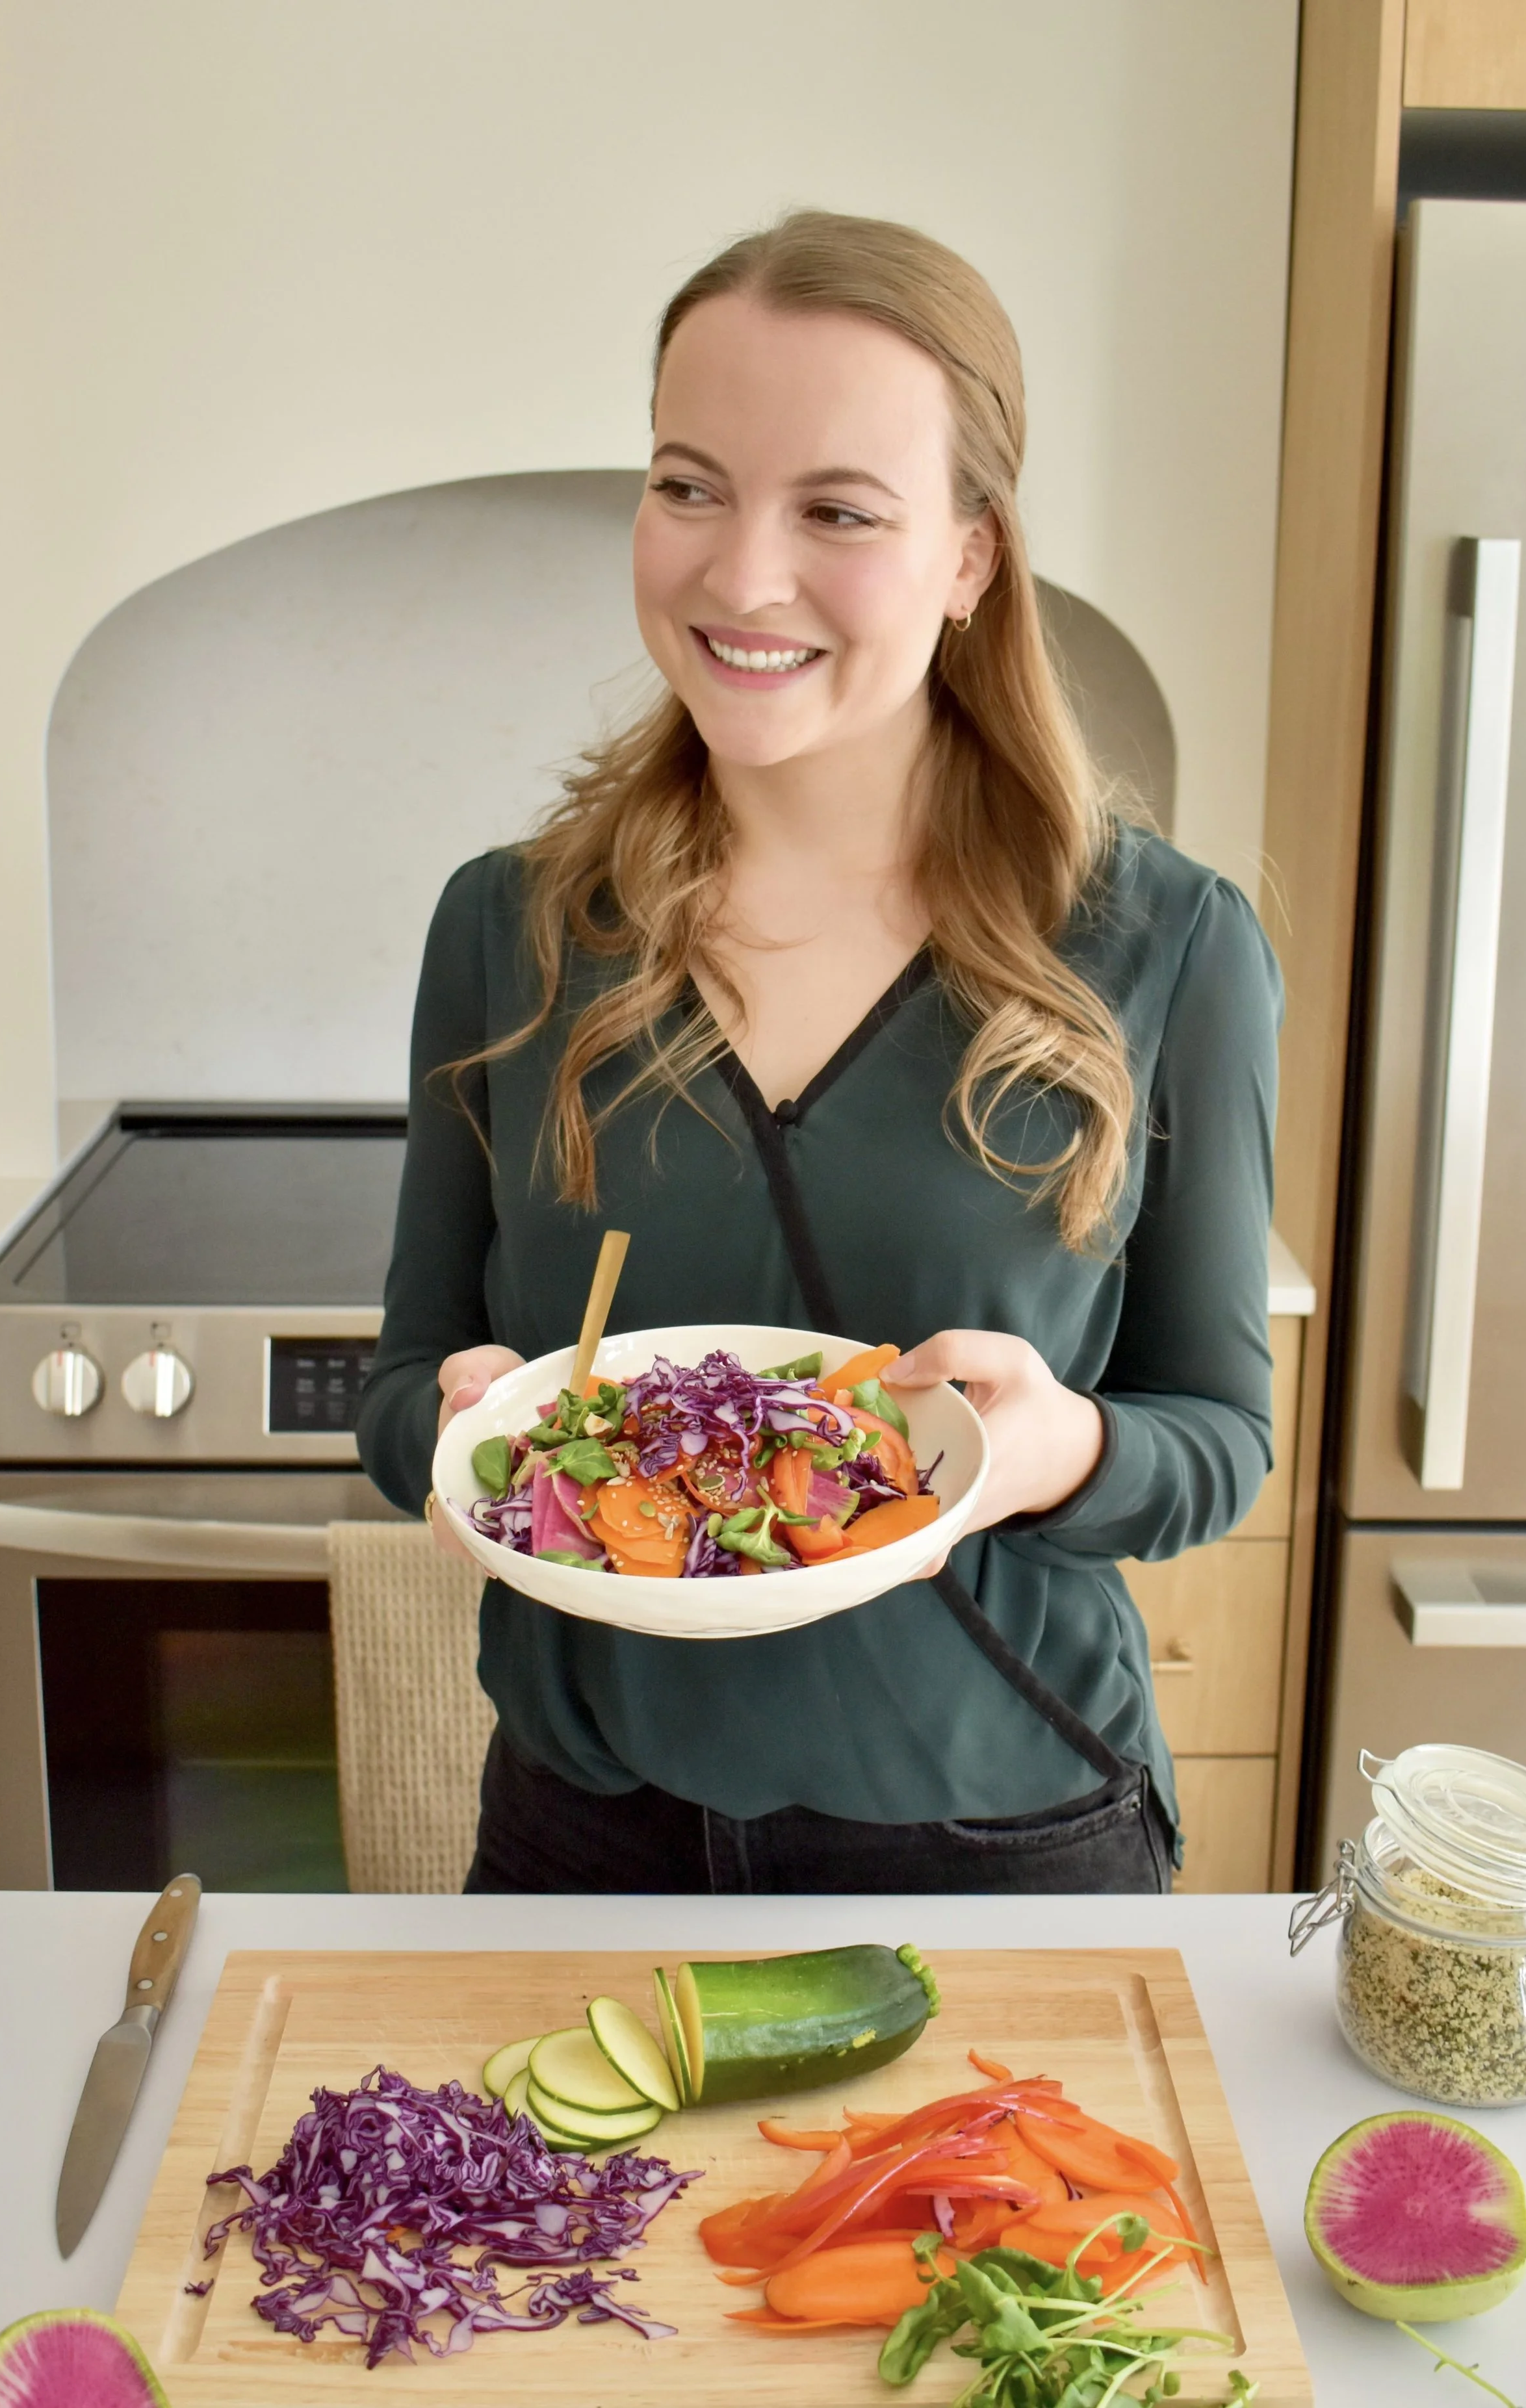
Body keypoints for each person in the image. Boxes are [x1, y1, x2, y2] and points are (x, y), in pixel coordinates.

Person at [356, 209, 1280, 1896]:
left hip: (1002, 1824)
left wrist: (1046, 1451)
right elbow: (413, 1369)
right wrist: (450, 1421)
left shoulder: (1165, 945)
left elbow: (1214, 1433)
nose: (738, 573)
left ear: (967, 557)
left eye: (837, 511)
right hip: (585, 1834)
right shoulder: (511, 930)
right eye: (687, 483)